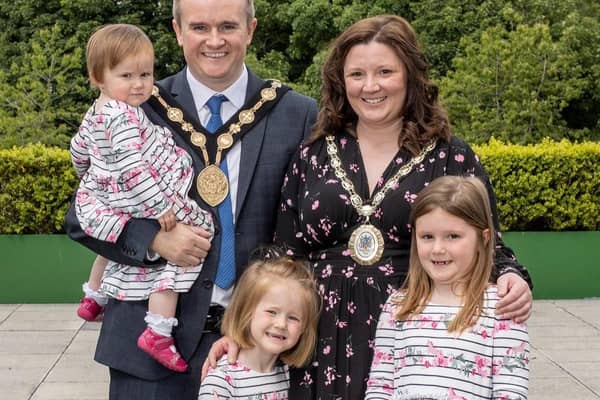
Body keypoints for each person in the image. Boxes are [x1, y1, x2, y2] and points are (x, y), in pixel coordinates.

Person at [203, 14, 533, 399]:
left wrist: (513, 277)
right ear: (341, 81)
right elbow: (284, 255)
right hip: (317, 338)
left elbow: (486, 241)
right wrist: (241, 329)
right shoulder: (313, 154)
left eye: (385, 72)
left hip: (410, 335)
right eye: (357, 74)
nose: (370, 86)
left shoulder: (450, 157)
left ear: (410, 75)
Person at [64, 0, 318, 398]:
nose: (214, 40)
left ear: (250, 30)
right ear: (178, 31)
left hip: (257, 349)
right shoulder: (134, 101)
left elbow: (305, 231)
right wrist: (153, 239)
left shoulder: (295, 112)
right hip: (144, 349)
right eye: (199, 27)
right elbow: (80, 216)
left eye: (228, 27)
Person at [71, 24, 215, 372]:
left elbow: (77, 149)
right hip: (144, 198)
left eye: (146, 74)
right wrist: (160, 208)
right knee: (190, 243)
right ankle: (158, 329)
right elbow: (135, 169)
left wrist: (91, 176)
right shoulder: (124, 116)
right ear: (98, 77)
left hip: (110, 197)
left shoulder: (98, 110)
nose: (139, 84)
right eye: (127, 75)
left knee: (109, 236)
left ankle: (93, 295)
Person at [365, 175, 529, 399]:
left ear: (484, 238)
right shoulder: (397, 307)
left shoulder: (502, 310)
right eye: (427, 236)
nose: (438, 248)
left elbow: (511, 393)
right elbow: (379, 388)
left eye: (453, 236)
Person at [199, 247, 320, 399]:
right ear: (246, 312)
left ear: (304, 328)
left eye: (293, 318)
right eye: (271, 312)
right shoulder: (221, 380)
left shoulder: (291, 376)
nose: (281, 324)